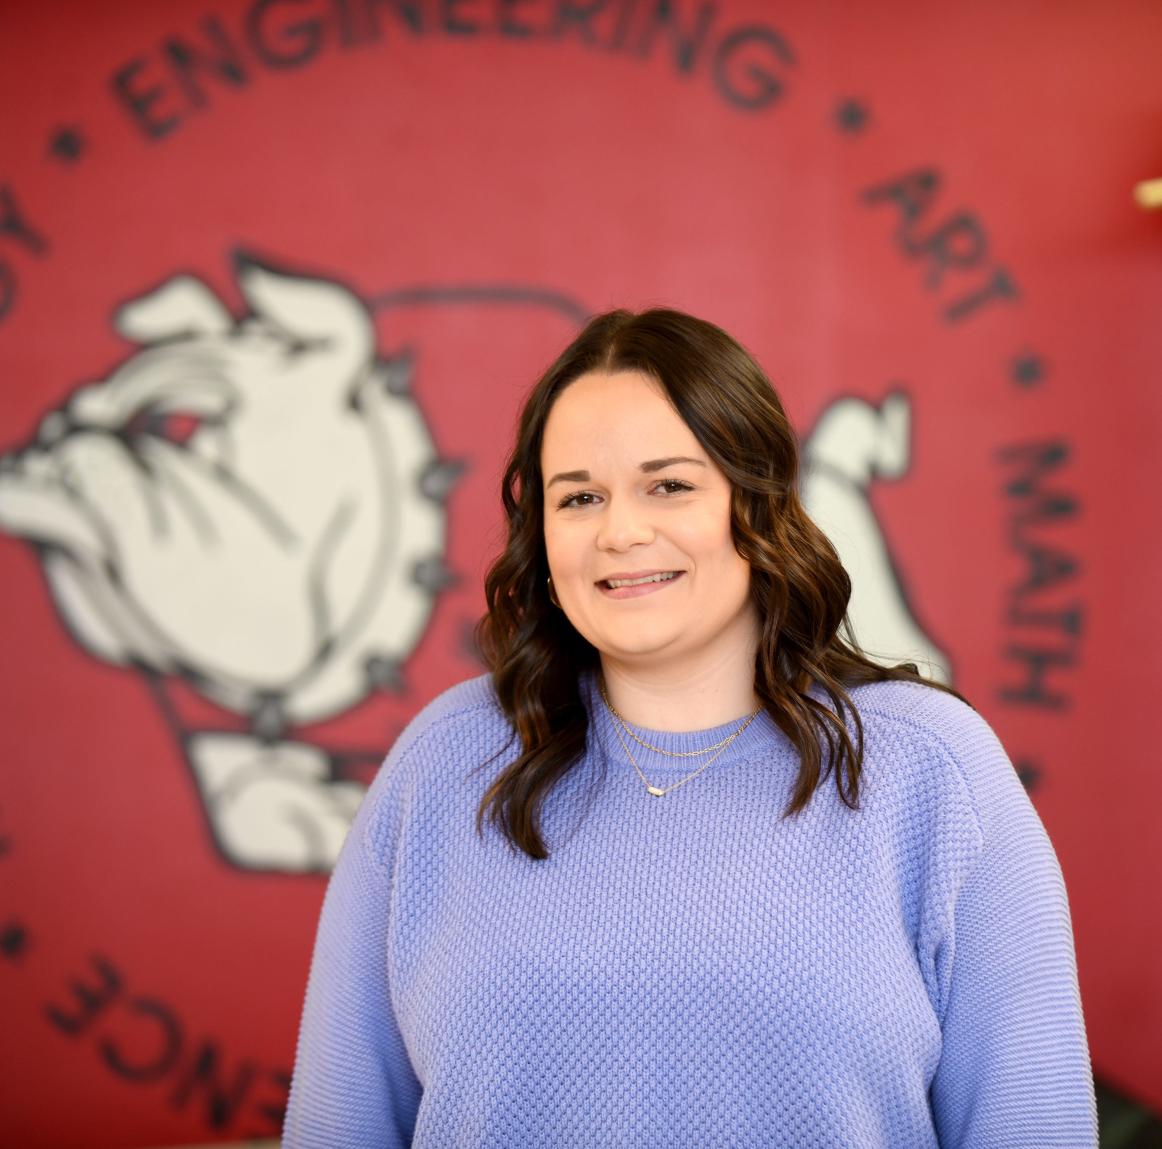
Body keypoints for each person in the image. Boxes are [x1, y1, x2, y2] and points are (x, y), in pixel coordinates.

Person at [281, 309, 1096, 1148]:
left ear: (759, 500)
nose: (620, 531)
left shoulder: (931, 769)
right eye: (579, 496)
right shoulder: (444, 763)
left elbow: (1033, 1124)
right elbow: (338, 1126)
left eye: (669, 484)